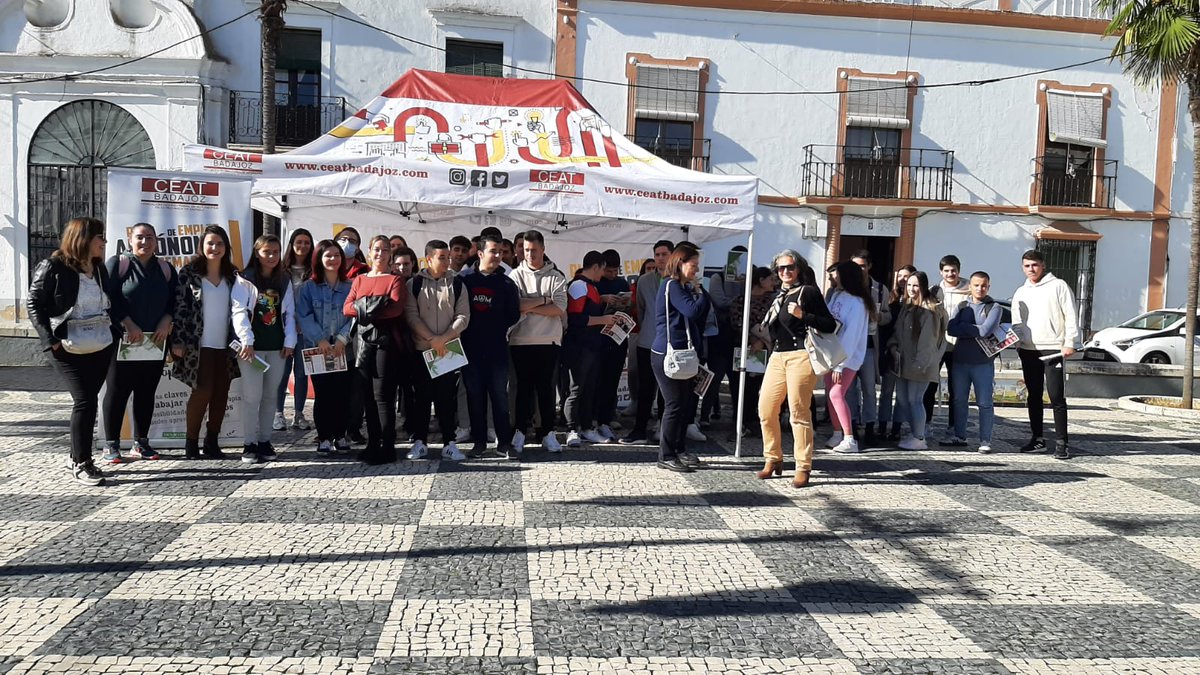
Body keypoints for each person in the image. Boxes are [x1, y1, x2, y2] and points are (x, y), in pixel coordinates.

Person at [28, 217, 118, 486]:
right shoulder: (53, 266)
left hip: (100, 344)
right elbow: (34, 303)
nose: (104, 241)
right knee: (84, 400)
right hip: (66, 346)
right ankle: (82, 463)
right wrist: (50, 340)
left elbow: (110, 302)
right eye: (99, 236)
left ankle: (75, 456)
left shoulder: (99, 268)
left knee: (89, 401)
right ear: (83, 238)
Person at [755, 251, 836, 487]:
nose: (785, 272)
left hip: (801, 355)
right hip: (777, 356)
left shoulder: (807, 292)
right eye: (780, 268)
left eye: (790, 267)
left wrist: (804, 315)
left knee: (798, 412)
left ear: (798, 268)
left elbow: (829, 324)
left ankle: (803, 466)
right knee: (766, 409)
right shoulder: (778, 295)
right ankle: (773, 458)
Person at [100, 222, 177, 464]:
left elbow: (175, 300)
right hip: (122, 340)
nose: (145, 242)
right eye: (140, 237)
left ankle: (141, 443)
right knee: (117, 392)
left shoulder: (165, 268)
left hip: (154, 342)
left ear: (157, 242)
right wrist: (127, 322)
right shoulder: (118, 264)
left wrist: (166, 321)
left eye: (150, 237)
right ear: (130, 240)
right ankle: (111, 445)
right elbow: (107, 298)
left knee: (146, 392)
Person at [171, 225, 242, 460]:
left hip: (226, 346)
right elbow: (180, 308)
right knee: (202, 392)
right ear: (201, 246)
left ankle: (212, 442)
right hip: (198, 345)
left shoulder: (233, 275)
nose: (215, 248)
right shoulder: (189, 273)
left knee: (221, 394)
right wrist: (178, 340)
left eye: (220, 243)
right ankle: (191, 443)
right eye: (210, 243)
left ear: (226, 247)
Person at [344, 235, 409, 464]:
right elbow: (347, 308)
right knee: (367, 395)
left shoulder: (395, 279)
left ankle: (388, 445)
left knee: (383, 395)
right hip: (362, 341)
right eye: (377, 249)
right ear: (369, 252)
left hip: (385, 341)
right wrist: (378, 303)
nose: (380, 253)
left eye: (385, 249)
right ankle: (373, 444)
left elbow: (395, 309)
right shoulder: (360, 280)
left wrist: (364, 306)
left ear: (390, 254)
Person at [232, 235, 297, 464]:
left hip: (277, 347)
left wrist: (290, 341)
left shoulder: (284, 279)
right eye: (266, 251)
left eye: (275, 252)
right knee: (252, 396)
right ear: (257, 253)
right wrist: (246, 340)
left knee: (271, 395)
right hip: (251, 349)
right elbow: (239, 311)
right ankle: (249, 443)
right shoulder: (245, 278)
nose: (271, 256)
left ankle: (264, 441)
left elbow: (289, 313)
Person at [405, 240, 470, 461]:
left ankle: (449, 443)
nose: (447, 262)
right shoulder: (414, 284)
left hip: (448, 350)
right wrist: (432, 339)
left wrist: (444, 338)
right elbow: (411, 316)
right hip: (422, 350)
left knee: (446, 399)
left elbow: (463, 316)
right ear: (429, 259)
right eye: (442, 257)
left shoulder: (458, 283)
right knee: (421, 398)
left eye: (448, 257)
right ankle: (420, 442)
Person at [1011, 250, 1079, 459]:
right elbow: (1017, 321)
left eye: (1035, 265)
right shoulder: (1021, 291)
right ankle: (1037, 439)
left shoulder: (1059, 286)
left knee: (1056, 396)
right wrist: (1018, 341)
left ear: (1043, 265)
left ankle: (1062, 443)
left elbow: (1070, 314)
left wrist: (1070, 342)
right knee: (1034, 395)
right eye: (1027, 266)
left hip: (1053, 349)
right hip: (1029, 350)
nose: (1031, 269)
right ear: (1022, 268)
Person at [459, 234, 521, 458]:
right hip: (470, 350)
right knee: (474, 397)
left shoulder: (507, 283)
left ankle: (504, 443)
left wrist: (496, 326)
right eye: (493, 251)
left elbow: (514, 315)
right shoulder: (464, 279)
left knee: (499, 397)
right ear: (480, 253)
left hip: (497, 350)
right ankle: (479, 443)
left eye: (501, 252)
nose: (497, 256)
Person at [650, 242, 710, 472]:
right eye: (693, 265)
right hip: (668, 353)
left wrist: (697, 292)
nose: (697, 269)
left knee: (684, 404)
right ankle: (666, 455)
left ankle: (679, 449)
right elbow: (693, 311)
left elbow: (699, 313)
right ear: (680, 263)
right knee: (674, 404)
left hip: (683, 353)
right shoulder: (672, 285)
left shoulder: (682, 286)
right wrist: (700, 291)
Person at [508, 230, 568, 454]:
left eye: (533, 250)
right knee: (522, 389)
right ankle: (520, 431)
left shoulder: (556, 276)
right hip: (520, 340)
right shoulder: (515, 276)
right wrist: (543, 300)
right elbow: (515, 305)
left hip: (548, 341)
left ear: (543, 249)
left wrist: (530, 305)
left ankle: (548, 433)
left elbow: (559, 308)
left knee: (546, 389)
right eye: (526, 250)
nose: (529, 254)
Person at [296, 239, 354, 455]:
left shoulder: (351, 286)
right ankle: (324, 437)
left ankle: (341, 435)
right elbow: (303, 315)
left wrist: (342, 339)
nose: (333, 259)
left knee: (343, 394)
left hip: (343, 350)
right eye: (328, 255)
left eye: (337, 255)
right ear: (319, 259)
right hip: (318, 351)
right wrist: (320, 339)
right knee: (323, 395)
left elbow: (355, 316)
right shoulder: (308, 288)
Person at [620, 240, 673, 445]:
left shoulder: (678, 279)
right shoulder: (643, 280)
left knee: (666, 390)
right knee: (645, 389)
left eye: (664, 254)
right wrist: (647, 330)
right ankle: (639, 430)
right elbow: (640, 309)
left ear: (672, 255)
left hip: (670, 344)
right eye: (657, 254)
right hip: (647, 342)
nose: (660, 258)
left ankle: (662, 428)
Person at [888, 271, 948, 450]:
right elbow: (898, 331)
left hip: (921, 363)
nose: (911, 289)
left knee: (915, 399)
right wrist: (893, 345)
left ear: (923, 287)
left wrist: (920, 364)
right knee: (902, 399)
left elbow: (927, 341)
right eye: (909, 285)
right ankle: (915, 431)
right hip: (903, 361)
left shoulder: (929, 311)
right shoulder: (907, 306)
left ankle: (919, 437)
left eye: (915, 285)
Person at [563, 250, 617, 447]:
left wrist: (602, 301)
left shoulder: (590, 286)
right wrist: (602, 319)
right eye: (602, 269)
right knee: (576, 389)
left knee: (589, 388)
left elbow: (587, 308)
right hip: (579, 346)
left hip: (592, 345)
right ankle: (571, 429)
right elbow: (574, 319)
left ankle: (587, 428)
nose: (603, 273)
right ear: (595, 267)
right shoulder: (578, 285)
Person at [947, 271, 1005, 453]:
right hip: (960, 361)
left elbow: (985, 331)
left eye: (984, 285)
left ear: (989, 286)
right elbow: (950, 329)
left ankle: (985, 440)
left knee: (984, 403)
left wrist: (963, 327)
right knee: (959, 400)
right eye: (976, 285)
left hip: (983, 363)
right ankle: (959, 435)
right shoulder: (962, 305)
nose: (980, 288)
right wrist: (974, 329)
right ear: (970, 286)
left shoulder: (994, 307)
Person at [822, 261, 871, 454]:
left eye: (838, 274)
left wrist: (840, 365)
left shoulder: (858, 303)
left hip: (847, 358)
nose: (834, 277)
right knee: (830, 394)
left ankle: (850, 438)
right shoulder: (837, 295)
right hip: (831, 353)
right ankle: (837, 433)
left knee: (837, 394)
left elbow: (852, 335)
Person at [846, 250, 891, 447]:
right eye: (855, 266)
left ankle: (870, 426)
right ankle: (852, 424)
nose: (859, 270)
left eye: (862, 266)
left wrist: (878, 316)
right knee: (849, 389)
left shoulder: (880, 289)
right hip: (849, 346)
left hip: (869, 345)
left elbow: (888, 315)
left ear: (869, 266)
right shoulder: (845, 288)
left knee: (869, 389)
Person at [729, 265, 777, 439]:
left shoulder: (772, 302)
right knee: (740, 386)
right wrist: (751, 340)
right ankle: (739, 423)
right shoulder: (741, 300)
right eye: (770, 279)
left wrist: (761, 342)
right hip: (742, 349)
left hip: (765, 350)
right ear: (760, 280)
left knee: (758, 387)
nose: (774, 282)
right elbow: (736, 322)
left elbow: (775, 324)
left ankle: (754, 421)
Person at [274, 228, 313, 432]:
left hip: (305, 330)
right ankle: (278, 413)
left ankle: (299, 414)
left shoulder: (314, 270)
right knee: (282, 373)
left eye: (307, 242)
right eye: (299, 242)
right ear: (291, 245)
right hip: (284, 329)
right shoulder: (281, 270)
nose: (302, 246)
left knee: (302, 373)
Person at [702, 244, 746, 425]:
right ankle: (704, 415)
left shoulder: (749, 277)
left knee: (737, 379)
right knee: (714, 377)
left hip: (740, 336)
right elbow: (719, 301)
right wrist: (741, 301)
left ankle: (738, 417)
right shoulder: (718, 277)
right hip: (720, 335)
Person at [927, 254, 970, 434]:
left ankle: (954, 426)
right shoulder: (934, 291)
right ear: (941, 272)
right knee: (930, 385)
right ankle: (926, 423)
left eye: (953, 270)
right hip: (937, 344)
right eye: (946, 271)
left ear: (959, 271)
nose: (950, 274)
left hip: (959, 346)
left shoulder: (969, 290)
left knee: (956, 388)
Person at [594, 248, 632, 441]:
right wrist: (603, 299)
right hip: (598, 338)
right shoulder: (596, 283)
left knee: (613, 379)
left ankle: (609, 415)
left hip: (617, 337)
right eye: (608, 271)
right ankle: (595, 416)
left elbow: (630, 309)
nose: (611, 274)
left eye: (615, 271)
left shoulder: (622, 283)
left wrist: (624, 303)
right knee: (597, 379)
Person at [877, 265, 916, 443]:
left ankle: (897, 428)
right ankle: (882, 425)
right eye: (900, 276)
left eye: (906, 277)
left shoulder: (914, 302)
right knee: (886, 391)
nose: (902, 280)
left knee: (901, 394)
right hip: (889, 350)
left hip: (906, 352)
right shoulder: (890, 297)